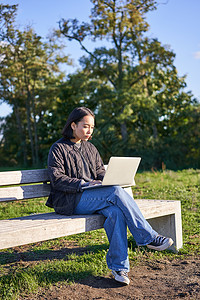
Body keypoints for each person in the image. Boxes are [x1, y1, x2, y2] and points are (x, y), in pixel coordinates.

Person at [46, 107, 173, 285]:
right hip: (70, 200)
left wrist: (108, 179)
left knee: (116, 212)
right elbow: (57, 179)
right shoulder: (58, 148)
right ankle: (147, 237)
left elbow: (100, 172)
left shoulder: (90, 148)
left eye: (92, 127)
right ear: (73, 125)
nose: (89, 131)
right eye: (85, 126)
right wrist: (84, 184)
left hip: (94, 197)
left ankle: (119, 267)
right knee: (115, 192)